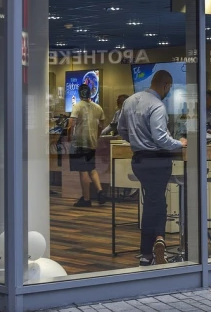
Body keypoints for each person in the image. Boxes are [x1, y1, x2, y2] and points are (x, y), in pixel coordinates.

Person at [118, 70, 187, 266]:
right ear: (166, 85)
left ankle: (147, 252)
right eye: (170, 88)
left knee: (152, 202)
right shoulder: (158, 105)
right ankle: (156, 242)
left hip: (139, 160)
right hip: (157, 160)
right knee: (156, 203)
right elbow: (161, 138)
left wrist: (136, 140)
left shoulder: (129, 101)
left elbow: (121, 130)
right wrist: (179, 144)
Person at [68, 83, 106, 208]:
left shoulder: (77, 106)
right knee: (91, 168)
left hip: (79, 142)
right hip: (91, 142)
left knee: (82, 170)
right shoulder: (98, 107)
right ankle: (100, 191)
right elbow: (101, 124)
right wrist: (97, 135)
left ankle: (86, 198)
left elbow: (71, 124)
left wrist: (69, 136)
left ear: (79, 94)